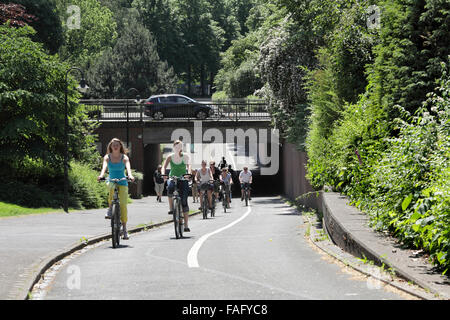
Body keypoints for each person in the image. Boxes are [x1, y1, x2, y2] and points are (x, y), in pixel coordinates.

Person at [98, 138, 135, 240]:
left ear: (120, 147)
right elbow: (104, 167)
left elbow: (128, 168)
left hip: (122, 181)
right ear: (110, 146)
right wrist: (101, 175)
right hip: (112, 180)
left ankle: (125, 229)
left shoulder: (124, 157)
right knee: (110, 186)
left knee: (123, 204)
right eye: (113, 145)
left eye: (117, 145)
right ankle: (110, 209)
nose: (115, 146)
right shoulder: (107, 157)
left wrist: (130, 175)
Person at [162, 140, 192, 232]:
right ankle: (171, 208)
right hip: (173, 177)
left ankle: (186, 225)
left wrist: (189, 174)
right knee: (170, 188)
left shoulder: (185, 156)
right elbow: (164, 166)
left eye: (180, 146)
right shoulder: (170, 157)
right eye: (176, 146)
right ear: (174, 147)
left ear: (181, 148)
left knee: (184, 201)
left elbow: (189, 166)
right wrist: (163, 174)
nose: (178, 148)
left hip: (183, 178)